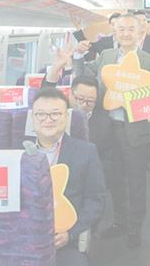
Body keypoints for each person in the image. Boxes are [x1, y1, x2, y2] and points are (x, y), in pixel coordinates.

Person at [73, 13, 150, 248]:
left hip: (135, 130)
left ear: (140, 32)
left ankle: (134, 227)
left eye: (131, 29)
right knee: (114, 180)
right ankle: (120, 221)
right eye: (121, 29)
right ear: (115, 32)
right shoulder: (106, 56)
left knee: (136, 181)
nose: (126, 33)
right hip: (107, 129)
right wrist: (78, 55)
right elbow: (85, 75)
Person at [41, 57, 127, 233]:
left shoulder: (104, 123)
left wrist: (90, 171)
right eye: (80, 99)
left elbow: (111, 161)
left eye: (90, 101)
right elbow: (44, 100)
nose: (84, 105)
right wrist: (55, 70)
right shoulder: (55, 114)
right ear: (70, 95)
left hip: (83, 180)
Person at [32, 88, 106, 266]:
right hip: (25, 239)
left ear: (66, 116)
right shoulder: (17, 154)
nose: (48, 119)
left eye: (55, 114)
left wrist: (71, 233)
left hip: (65, 241)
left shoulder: (86, 152)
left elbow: (96, 199)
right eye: (41, 114)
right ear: (32, 118)